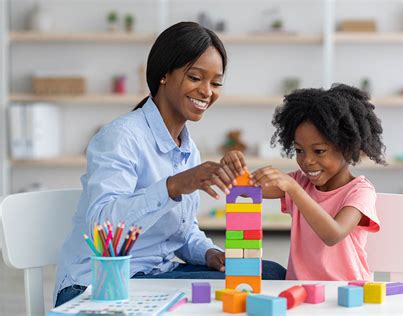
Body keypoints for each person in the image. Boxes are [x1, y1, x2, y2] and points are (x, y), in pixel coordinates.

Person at [54, 21, 286, 307]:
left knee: (270, 273)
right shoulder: (121, 137)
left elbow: (182, 232)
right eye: (195, 77)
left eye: (215, 83)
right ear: (164, 74)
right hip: (98, 283)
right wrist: (173, 186)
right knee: (257, 288)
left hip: (155, 274)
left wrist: (210, 253)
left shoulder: (189, 150)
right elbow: (102, 226)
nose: (206, 91)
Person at [221, 84, 386, 281]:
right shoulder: (300, 181)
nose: (307, 160)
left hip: (345, 291)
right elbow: (244, 188)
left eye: (319, 151)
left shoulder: (360, 192)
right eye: (299, 150)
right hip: (299, 290)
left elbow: (333, 234)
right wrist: (234, 165)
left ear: (347, 148)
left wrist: (293, 188)